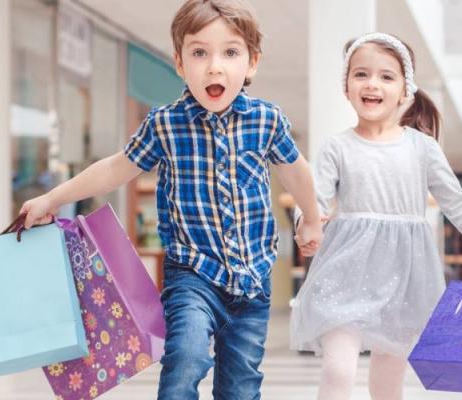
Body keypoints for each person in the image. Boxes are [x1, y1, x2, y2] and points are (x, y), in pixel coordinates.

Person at [21, 1, 324, 398]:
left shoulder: (266, 120)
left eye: (230, 52)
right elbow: (115, 169)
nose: (214, 66)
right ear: (180, 64)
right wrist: (53, 198)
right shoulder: (165, 124)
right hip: (192, 273)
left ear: (251, 64)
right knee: (186, 355)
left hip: (252, 279)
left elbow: (295, 169)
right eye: (199, 52)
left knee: (241, 385)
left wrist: (313, 220)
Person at [289, 32, 462, 400]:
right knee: (339, 369)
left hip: (405, 279)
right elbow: (315, 199)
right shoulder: (338, 146)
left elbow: (457, 203)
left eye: (386, 76)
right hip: (345, 273)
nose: (372, 84)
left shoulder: (422, 148)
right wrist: (308, 225)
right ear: (346, 86)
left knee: (388, 384)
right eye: (361, 74)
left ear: (405, 90)